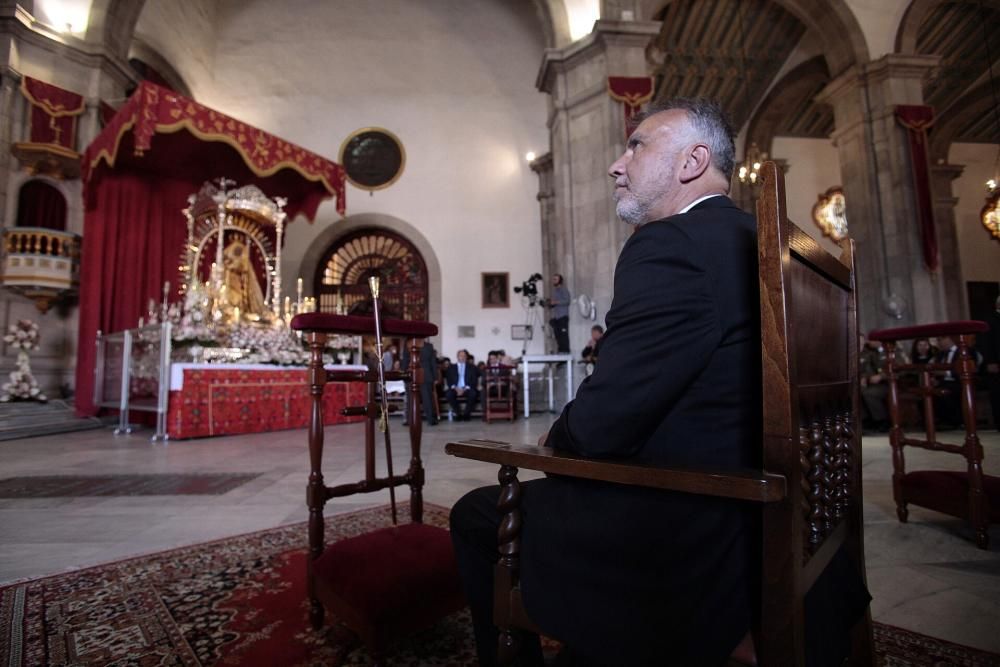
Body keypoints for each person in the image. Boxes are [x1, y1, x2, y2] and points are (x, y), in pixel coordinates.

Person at [451, 98, 868, 666]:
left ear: (692, 161)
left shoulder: (674, 244)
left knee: (477, 514)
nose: (616, 164)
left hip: (690, 541)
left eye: (637, 145)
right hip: (794, 525)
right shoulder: (769, 246)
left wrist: (557, 438)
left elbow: (603, 427)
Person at [401, 339, 438, 426]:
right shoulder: (409, 345)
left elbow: (433, 362)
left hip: (424, 374)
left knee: (426, 398)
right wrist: (403, 374)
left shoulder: (427, 346)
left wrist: (435, 377)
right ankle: (413, 419)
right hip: (413, 374)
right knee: (412, 399)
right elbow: (405, 360)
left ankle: (430, 419)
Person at [859, 338, 890, 432]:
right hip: (868, 383)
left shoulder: (872, 353)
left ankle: (881, 421)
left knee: (868, 393)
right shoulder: (871, 352)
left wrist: (881, 376)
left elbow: (875, 369)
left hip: (886, 383)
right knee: (858, 392)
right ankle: (865, 421)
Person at [445, 349, 480, 421]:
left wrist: (464, 388)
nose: (463, 357)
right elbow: (449, 380)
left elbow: (474, 381)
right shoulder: (451, 367)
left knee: (473, 394)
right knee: (449, 394)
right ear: (457, 357)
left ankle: (466, 414)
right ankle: (458, 413)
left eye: (464, 356)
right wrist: (456, 388)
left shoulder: (472, 367)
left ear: (466, 357)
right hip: (455, 388)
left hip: (467, 388)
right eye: (461, 356)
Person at [982, 295, 1000, 431]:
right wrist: (990, 361)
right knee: (997, 393)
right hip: (995, 363)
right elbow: (985, 343)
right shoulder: (990, 320)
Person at [546, 273, 571, 353]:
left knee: (563, 336)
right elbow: (553, 303)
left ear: (560, 280)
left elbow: (567, 301)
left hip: (563, 316)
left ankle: (565, 352)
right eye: (553, 279)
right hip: (556, 317)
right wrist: (549, 304)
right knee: (558, 336)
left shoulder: (564, 290)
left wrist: (556, 302)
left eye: (555, 279)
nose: (554, 281)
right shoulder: (554, 291)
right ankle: (560, 352)